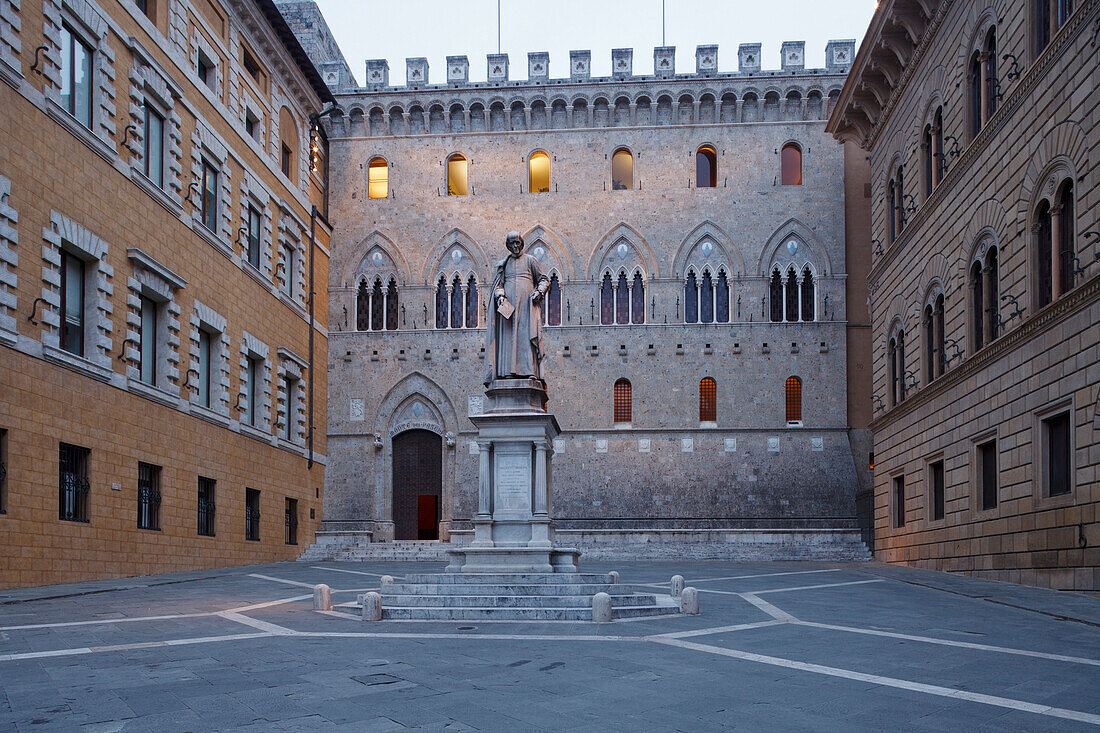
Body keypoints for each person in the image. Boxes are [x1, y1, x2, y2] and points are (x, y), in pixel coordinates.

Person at [483, 231, 550, 385]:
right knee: (508, 337)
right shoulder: (504, 264)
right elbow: (498, 285)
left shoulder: (530, 261)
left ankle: (529, 371)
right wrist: (500, 296)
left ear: (522, 243)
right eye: (512, 243)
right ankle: (507, 372)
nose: (515, 246)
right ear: (508, 245)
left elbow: (544, 280)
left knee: (526, 336)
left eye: (518, 242)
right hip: (509, 309)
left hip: (527, 305)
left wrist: (539, 292)